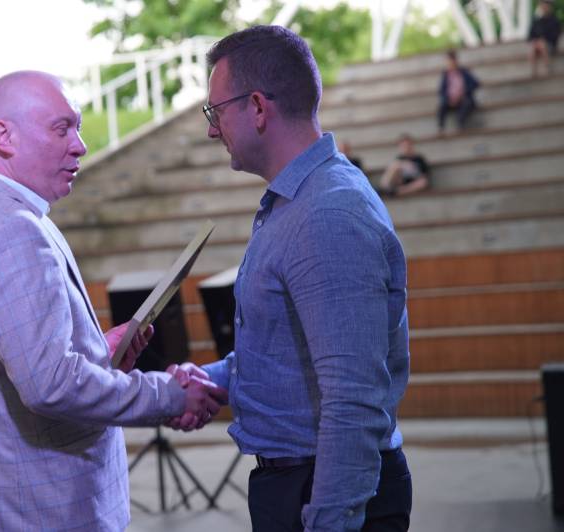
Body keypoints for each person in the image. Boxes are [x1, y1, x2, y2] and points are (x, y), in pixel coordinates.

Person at [0, 71, 227, 531]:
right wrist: (168, 395)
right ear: (4, 136)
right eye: (61, 128)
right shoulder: (14, 231)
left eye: (78, 128)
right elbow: (51, 386)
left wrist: (97, 352)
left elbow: (18, 360)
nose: (80, 146)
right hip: (44, 512)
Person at [168, 25, 412, 531]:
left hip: (323, 487)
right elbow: (290, 354)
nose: (212, 130)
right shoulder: (297, 203)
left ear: (258, 107)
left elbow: (352, 400)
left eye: (215, 112)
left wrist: (329, 520)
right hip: (296, 480)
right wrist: (213, 379)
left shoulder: (327, 214)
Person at [437, 49, 479, 133]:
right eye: (448, 61)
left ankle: (460, 124)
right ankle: (441, 128)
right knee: (442, 106)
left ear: (456, 61)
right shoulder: (445, 74)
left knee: (467, 104)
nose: (450, 63)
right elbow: (441, 90)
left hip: (464, 98)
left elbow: (475, 83)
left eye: (452, 61)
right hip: (450, 100)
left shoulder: (464, 72)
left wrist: (463, 93)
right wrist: (449, 98)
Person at [528, 0, 561, 77]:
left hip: (550, 44)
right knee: (533, 47)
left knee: (542, 44)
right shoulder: (537, 19)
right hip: (537, 44)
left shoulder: (554, 19)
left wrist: (543, 40)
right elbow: (530, 34)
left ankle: (547, 67)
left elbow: (555, 35)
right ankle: (534, 71)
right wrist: (536, 40)